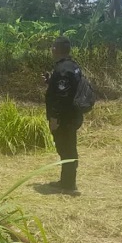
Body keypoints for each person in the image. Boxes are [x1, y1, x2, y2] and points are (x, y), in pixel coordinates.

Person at [44, 36, 84, 196]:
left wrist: (55, 118)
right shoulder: (72, 66)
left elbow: (62, 97)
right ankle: (66, 180)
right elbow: (66, 89)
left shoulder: (62, 69)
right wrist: (50, 81)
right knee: (68, 148)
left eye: (53, 47)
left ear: (55, 49)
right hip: (73, 116)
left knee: (66, 149)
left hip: (65, 119)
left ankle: (68, 185)